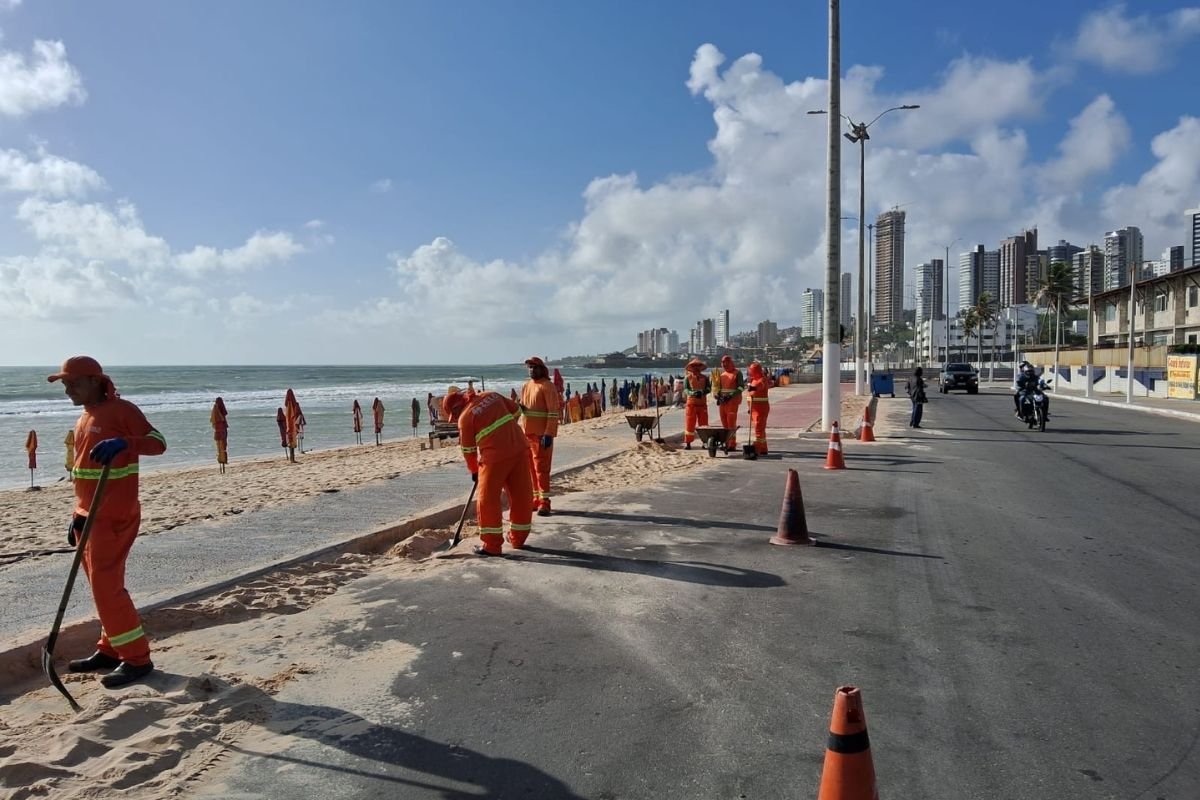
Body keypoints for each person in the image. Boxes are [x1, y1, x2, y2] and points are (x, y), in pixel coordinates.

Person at [49, 356, 166, 688]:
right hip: (89, 513)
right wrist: (77, 514)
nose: (67, 390)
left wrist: (125, 443)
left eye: (72, 383)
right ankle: (111, 649)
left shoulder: (122, 410)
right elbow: (84, 473)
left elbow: (159, 443)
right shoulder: (84, 417)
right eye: (65, 384)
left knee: (107, 588)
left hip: (114, 515)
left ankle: (137, 659)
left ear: (95, 381)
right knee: (102, 588)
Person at [444, 387, 533, 557]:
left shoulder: (465, 418)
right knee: (521, 495)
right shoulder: (492, 395)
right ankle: (518, 538)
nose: (454, 419)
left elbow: (469, 451)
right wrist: (505, 430)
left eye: (453, 415)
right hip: (519, 448)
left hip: (494, 458)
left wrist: (474, 471)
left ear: (456, 408)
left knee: (487, 499)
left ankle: (492, 545)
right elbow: (516, 410)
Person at [519, 356, 561, 516]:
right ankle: (536, 499)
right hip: (528, 434)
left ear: (541, 369)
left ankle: (545, 502)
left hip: (541, 435)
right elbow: (524, 408)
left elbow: (553, 412)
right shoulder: (526, 386)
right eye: (529, 367)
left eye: (535, 367)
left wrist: (549, 433)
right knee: (531, 469)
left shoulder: (547, 386)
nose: (532, 370)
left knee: (542, 469)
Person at [715, 355, 745, 450]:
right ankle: (727, 442)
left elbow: (741, 387)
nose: (725, 365)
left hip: (732, 402)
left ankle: (732, 444)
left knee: (731, 422)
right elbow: (718, 388)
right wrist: (717, 395)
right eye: (723, 363)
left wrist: (731, 395)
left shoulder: (737, 373)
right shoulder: (722, 375)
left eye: (726, 363)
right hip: (723, 402)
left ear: (731, 363)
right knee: (724, 423)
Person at [682, 358, 710, 449]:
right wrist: (692, 393)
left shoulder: (705, 378)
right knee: (690, 423)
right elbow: (686, 390)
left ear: (700, 367)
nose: (696, 368)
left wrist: (703, 392)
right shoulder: (687, 378)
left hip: (702, 404)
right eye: (694, 366)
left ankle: (705, 442)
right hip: (691, 404)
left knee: (704, 424)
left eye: (698, 366)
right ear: (691, 368)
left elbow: (709, 389)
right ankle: (688, 443)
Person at [746, 361, 770, 455]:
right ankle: (763, 447)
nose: (750, 372)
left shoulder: (761, 379)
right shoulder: (753, 380)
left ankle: (758, 447)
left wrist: (753, 388)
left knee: (758, 428)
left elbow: (760, 386)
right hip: (754, 408)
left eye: (751, 371)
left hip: (761, 409)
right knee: (760, 429)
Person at [210, 397, 229, 474]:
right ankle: (223, 462)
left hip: (218, 432)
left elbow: (213, 422)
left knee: (219, 448)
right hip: (222, 431)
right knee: (223, 447)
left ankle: (221, 463)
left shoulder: (215, 410)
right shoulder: (220, 410)